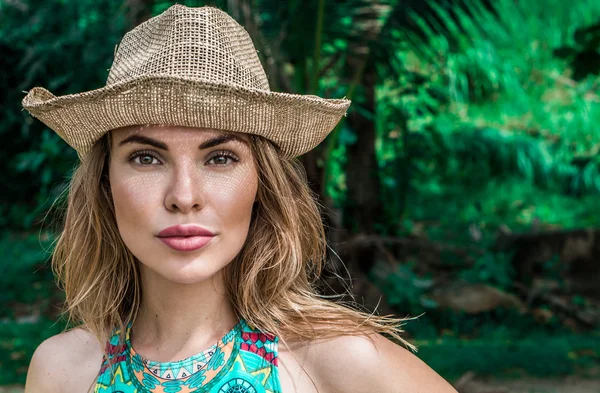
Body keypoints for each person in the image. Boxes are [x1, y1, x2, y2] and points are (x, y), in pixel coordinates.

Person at [21, 4, 457, 393]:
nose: (184, 196)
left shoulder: (332, 363)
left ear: (262, 184)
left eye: (221, 158)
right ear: (104, 183)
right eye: (147, 158)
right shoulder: (64, 371)